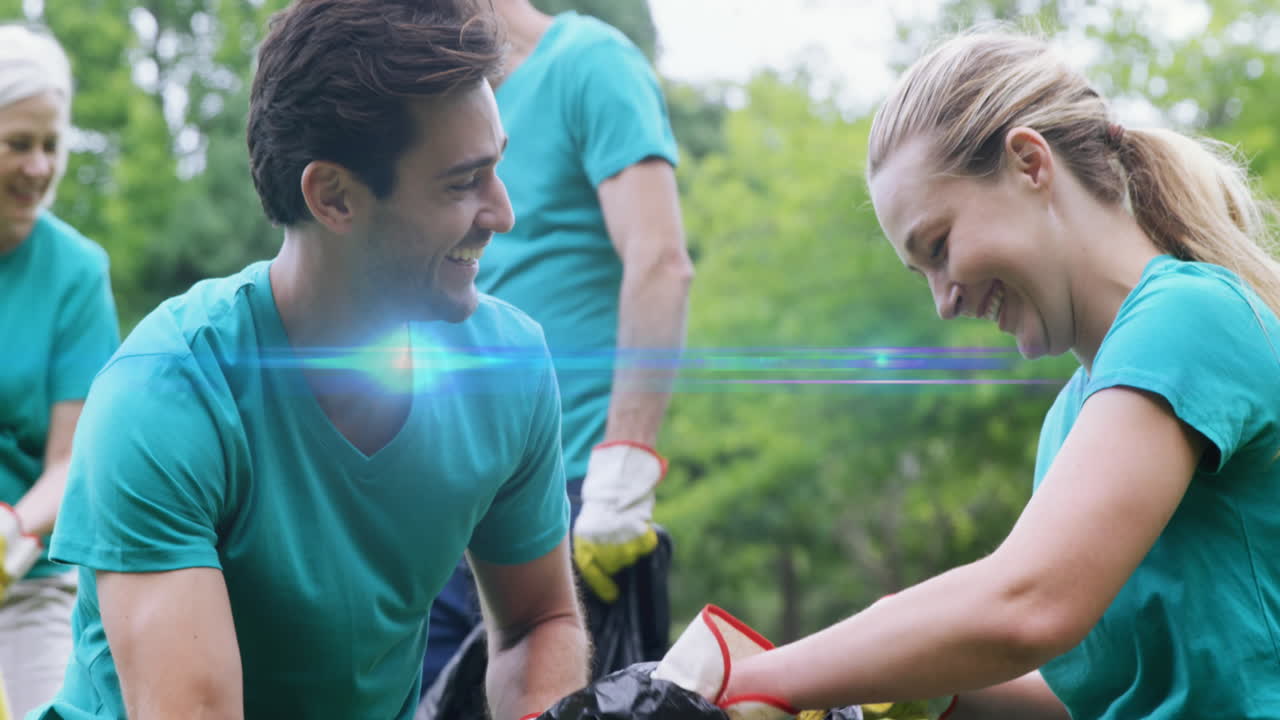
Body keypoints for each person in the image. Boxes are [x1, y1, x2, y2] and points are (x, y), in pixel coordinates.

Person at [654, 27, 1280, 720]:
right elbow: (1105, 693)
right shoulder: (1072, 419)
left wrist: (744, 683)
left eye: (940, 244)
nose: (943, 302)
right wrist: (902, 677)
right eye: (921, 271)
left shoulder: (1188, 317)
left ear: (1029, 164)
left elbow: (1029, 606)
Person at [31, 1, 589, 718]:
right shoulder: (166, 393)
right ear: (333, 197)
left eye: (496, 169)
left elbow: (539, 621)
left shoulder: (507, 369)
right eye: (461, 182)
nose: (503, 213)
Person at [421, 0, 692, 691]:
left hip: (565, 489)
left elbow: (659, 260)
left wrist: (623, 470)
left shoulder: (589, 66)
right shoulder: (433, 107)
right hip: (441, 489)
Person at [0, 23, 119, 718]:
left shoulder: (77, 272)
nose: (39, 167)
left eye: (52, 144)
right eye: (18, 143)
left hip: (28, 581)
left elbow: (71, 460)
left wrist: (11, 530)